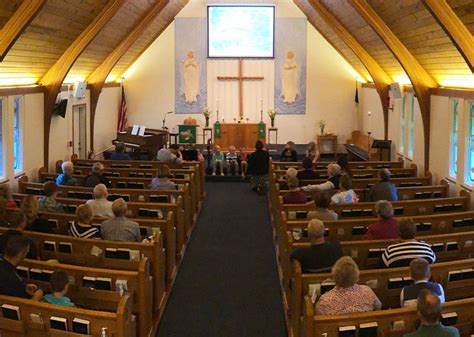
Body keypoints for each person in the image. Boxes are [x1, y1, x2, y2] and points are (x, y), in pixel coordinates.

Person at [316, 256, 381, 315]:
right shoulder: (367, 291)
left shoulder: (325, 302)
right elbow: (378, 307)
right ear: (356, 274)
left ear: (335, 275)